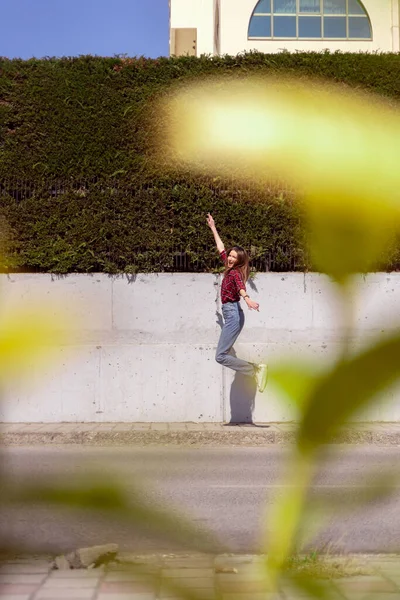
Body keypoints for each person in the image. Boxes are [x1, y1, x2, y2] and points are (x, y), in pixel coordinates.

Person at [207, 213, 268, 393]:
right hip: (231, 314)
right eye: (230, 256)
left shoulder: (234, 273)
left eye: (234, 257)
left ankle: (256, 369)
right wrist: (213, 227)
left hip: (233, 314)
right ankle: (256, 369)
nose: (230, 258)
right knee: (222, 355)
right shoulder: (229, 267)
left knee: (220, 356)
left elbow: (240, 287)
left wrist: (247, 298)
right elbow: (221, 247)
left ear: (239, 261)